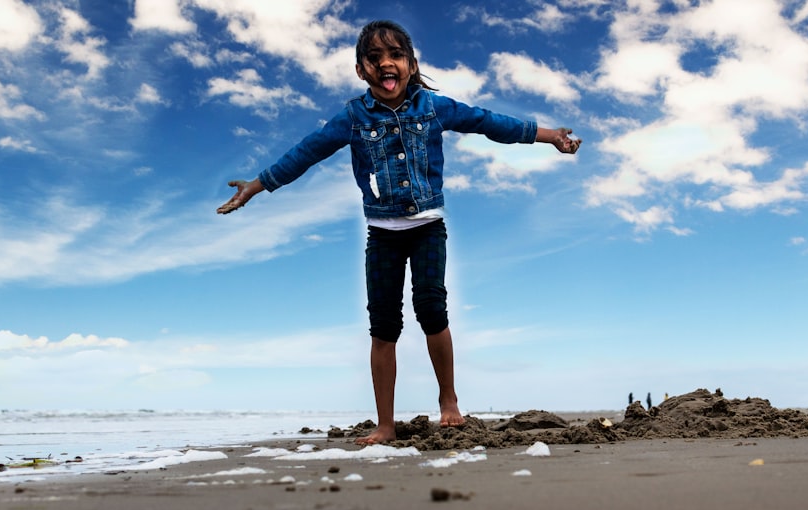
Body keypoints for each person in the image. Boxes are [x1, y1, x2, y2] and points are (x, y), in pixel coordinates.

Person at [217, 19, 582, 445]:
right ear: (361, 71)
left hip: (427, 227)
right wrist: (256, 187)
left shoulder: (433, 107)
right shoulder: (352, 118)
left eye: (395, 57)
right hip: (382, 235)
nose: (385, 65)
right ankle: (385, 424)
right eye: (374, 59)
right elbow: (305, 153)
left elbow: (489, 122)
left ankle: (449, 401)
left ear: (410, 64)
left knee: (432, 310)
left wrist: (549, 135)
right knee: (384, 326)